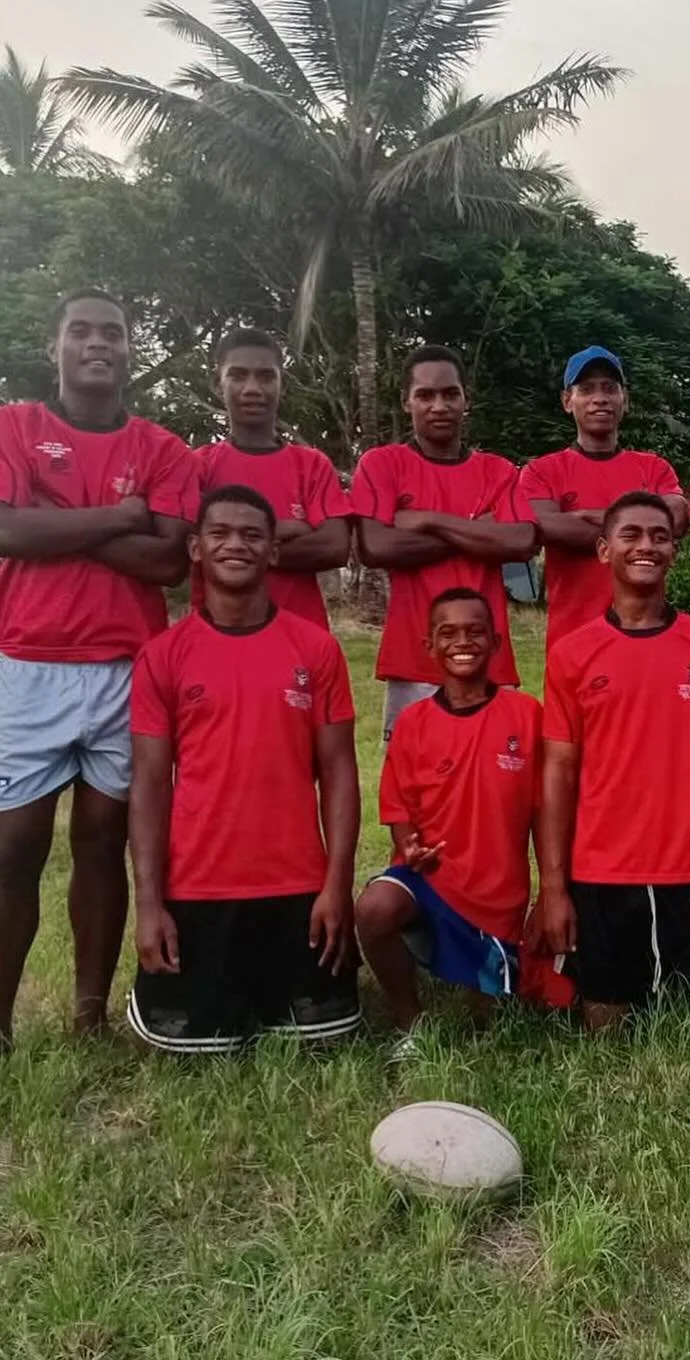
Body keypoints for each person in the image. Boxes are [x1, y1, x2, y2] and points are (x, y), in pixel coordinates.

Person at [0, 289, 197, 1049]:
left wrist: (55, 524)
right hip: (27, 662)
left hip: (128, 666)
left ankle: (89, 1015)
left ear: (127, 349)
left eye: (111, 333)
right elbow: (7, 529)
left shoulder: (163, 448)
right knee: (14, 847)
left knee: (102, 839)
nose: (96, 343)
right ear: (56, 345)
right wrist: (120, 515)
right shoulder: (15, 426)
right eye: (80, 330)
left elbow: (169, 559)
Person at [126, 485, 361, 1053]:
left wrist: (337, 888)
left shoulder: (316, 649)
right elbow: (151, 787)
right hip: (199, 890)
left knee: (321, 1039)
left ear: (274, 551)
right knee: (193, 1049)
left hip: (298, 888)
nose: (237, 545)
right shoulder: (163, 655)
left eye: (253, 534)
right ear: (195, 548)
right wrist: (151, 905)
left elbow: (339, 774)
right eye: (221, 533)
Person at [537, 491, 690, 1031]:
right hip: (601, 870)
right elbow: (557, 773)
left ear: (675, 549)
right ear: (604, 550)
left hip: (688, 871)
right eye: (630, 535)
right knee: (605, 1026)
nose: (646, 545)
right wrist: (554, 886)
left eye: (659, 536)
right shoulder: (573, 654)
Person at [357, 587, 542, 1039]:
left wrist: (553, 892)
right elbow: (398, 805)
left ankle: (482, 969)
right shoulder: (413, 723)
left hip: (497, 894)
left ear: (497, 643)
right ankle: (409, 1023)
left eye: (476, 632)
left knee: (489, 1023)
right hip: (430, 879)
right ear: (430, 646)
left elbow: (547, 811)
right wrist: (409, 845)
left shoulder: (527, 715)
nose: (463, 642)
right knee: (375, 909)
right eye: (448, 633)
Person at [351, 345, 538, 741]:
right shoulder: (382, 464)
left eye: (450, 394)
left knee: (499, 791)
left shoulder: (498, 471)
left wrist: (427, 520)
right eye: (425, 395)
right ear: (407, 402)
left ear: (465, 400)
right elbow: (376, 547)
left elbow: (522, 541)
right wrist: (479, 531)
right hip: (414, 662)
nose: (439, 405)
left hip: (490, 663)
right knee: (415, 792)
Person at [516, 346, 686, 653]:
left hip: (649, 637)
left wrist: (581, 517)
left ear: (625, 400)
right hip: (572, 641)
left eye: (610, 388)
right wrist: (643, 523)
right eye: (587, 389)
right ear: (568, 401)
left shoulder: (654, 468)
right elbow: (543, 527)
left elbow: (677, 518)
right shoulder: (542, 471)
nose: (600, 398)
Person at [192, 328, 352, 629]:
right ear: (217, 384)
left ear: (282, 384)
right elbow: (189, 550)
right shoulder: (197, 465)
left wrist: (232, 547)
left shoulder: (312, 464)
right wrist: (290, 528)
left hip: (302, 637)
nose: (252, 388)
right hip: (214, 638)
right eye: (238, 376)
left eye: (266, 376)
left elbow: (334, 547)